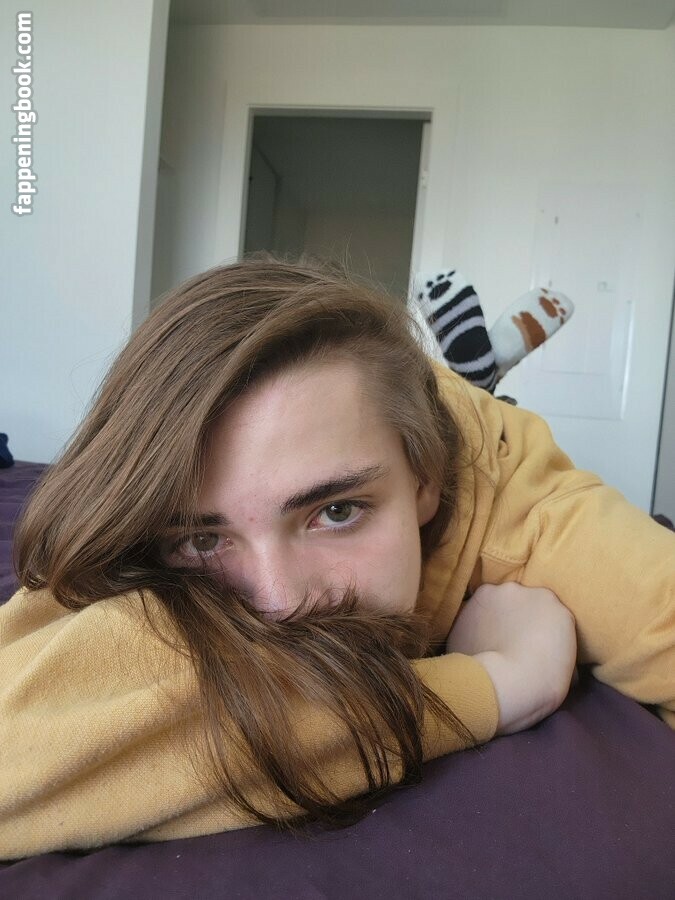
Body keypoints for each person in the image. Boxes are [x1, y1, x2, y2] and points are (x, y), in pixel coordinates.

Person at [1, 255, 672, 860]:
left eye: (336, 511)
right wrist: (499, 683)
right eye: (205, 539)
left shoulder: (549, 531)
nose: (278, 603)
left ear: (425, 480)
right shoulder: (145, 522)